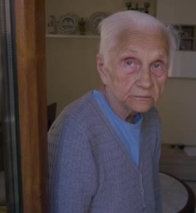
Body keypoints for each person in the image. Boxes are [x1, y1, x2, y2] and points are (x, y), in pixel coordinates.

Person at [48, 10, 178, 213]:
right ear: (103, 68)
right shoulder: (76, 130)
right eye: (129, 62)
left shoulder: (152, 117)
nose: (146, 81)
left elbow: (152, 190)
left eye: (157, 65)